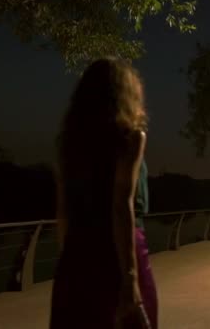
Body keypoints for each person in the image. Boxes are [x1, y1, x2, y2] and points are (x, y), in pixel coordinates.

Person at [50, 57, 158, 329]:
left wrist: (70, 266)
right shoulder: (131, 138)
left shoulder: (68, 143)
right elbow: (122, 204)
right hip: (119, 253)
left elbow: (63, 210)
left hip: (77, 252)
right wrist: (130, 279)